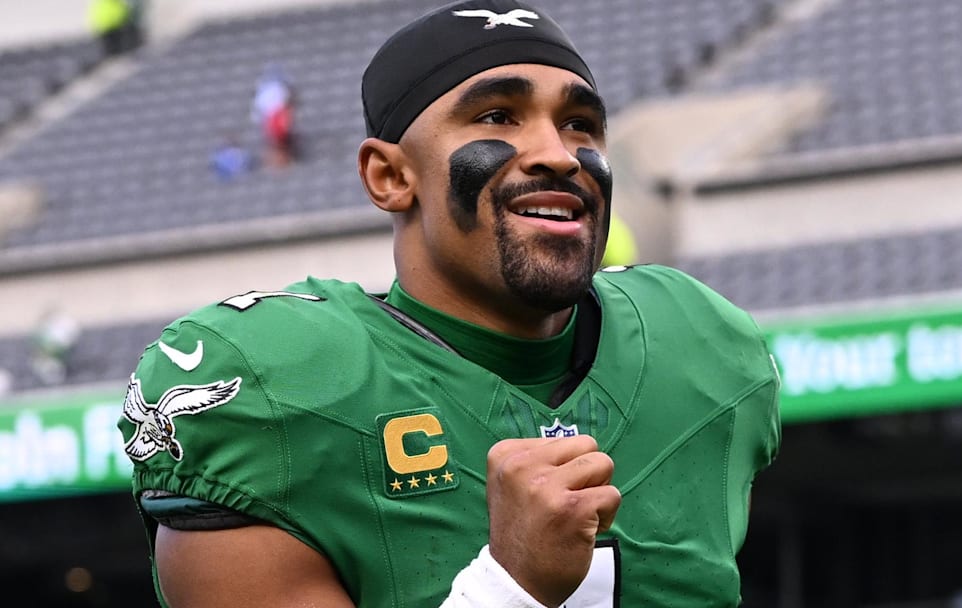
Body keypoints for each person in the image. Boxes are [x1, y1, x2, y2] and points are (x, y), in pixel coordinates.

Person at [117, 1, 781, 606]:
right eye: (497, 116)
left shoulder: (700, 346)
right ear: (391, 176)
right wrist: (510, 587)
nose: (558, 153)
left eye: (580, 123)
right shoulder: (274, 387)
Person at [251, 63, 297, 168]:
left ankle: (283, 162)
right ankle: (280, 163)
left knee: (280, 141)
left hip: (274, 117)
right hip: (273, 117)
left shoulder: (267, 89)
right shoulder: (268, 90)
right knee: (277, 142)